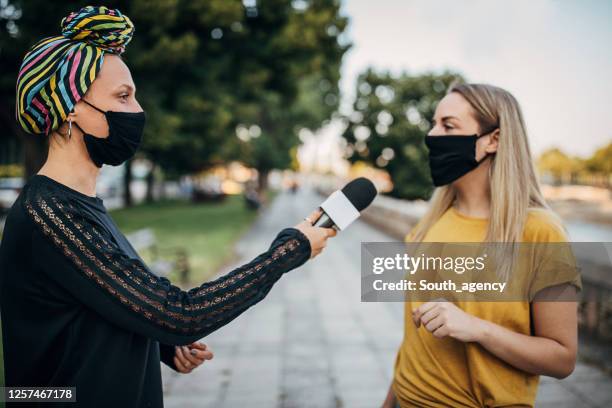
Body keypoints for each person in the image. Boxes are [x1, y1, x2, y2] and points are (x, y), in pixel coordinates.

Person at [0, 6, 335, 408]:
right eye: (123, 97)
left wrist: (158, 344)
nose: (137, 111)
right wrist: (289, 250)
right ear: (70, 107)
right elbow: (179, 313)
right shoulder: (49, 216)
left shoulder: (80, 206)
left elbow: (101, 305)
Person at [382, 83, 581, 408]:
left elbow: (562, 358)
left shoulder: (540, 232)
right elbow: (415, 340)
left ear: (494, 139)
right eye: (433, 123)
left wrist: (477, 329)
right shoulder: (430, 223)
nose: (432, 135)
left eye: (448, 125)